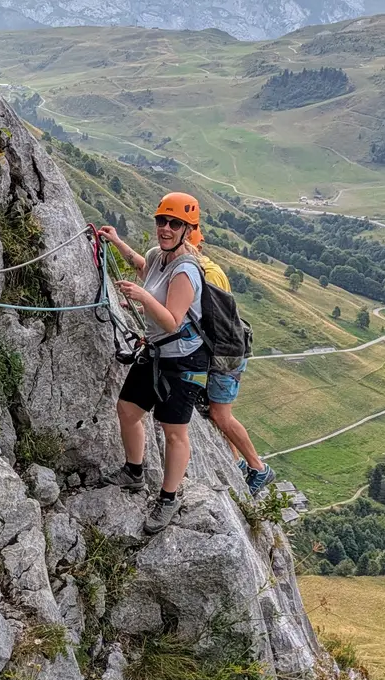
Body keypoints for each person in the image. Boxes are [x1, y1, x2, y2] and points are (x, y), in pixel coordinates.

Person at [98, 193, 209, 533]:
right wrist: (117, 243)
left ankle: (169, 498)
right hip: (158, 352)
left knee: (173, 432)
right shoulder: (158, 257)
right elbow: (144, 270)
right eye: (162, 220)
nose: (165, 228)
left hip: (184, 358)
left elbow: (173, 320)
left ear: (188, 230)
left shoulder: (187, 271)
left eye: (175, 223)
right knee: (128, 409)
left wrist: (143, 297)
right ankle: (134, 471)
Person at [188, 227, 275, 494]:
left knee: (220, 415)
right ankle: (236, 462)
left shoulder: (206, 274)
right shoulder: (204, 269)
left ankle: (258, 468)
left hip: (227, 355)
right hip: (226, 351)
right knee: (218, 412)